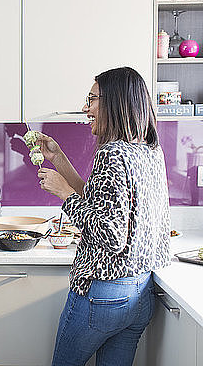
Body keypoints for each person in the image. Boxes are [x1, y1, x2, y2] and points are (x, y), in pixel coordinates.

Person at [35, 67, 171, 366]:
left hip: (103, 294)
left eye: (92, 99)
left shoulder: (112, 153)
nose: (86, 107)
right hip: (139, 292)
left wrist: (65, 195)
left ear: (114, 103)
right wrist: (59, 158)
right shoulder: (149, 150)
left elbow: (110, 234)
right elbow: (100, 203)